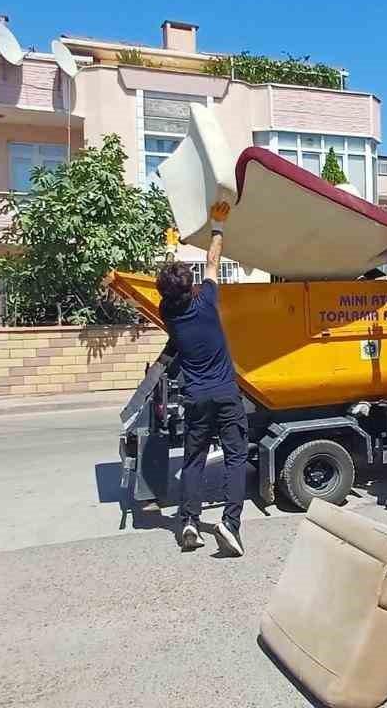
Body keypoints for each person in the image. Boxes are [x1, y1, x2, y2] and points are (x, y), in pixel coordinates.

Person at [155, 202, 246, 556]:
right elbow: (212, 261)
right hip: (225, 394)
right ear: (192, 286)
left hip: (195, 398)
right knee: (236, 457)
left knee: (194, 459)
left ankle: (190, 521)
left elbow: (180, 283)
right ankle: (230, 524)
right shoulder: (206, 300)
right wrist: (218, 223)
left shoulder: (168, 313)